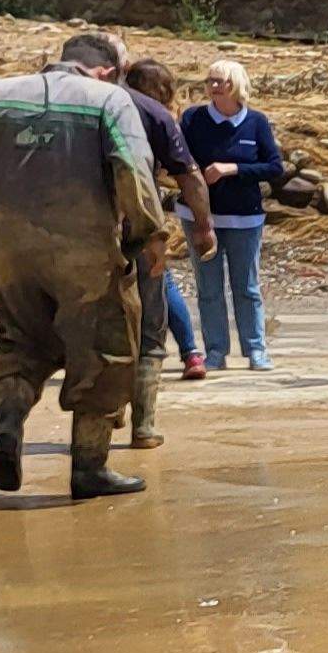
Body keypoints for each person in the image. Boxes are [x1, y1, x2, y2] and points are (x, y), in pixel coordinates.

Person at [0, 33, 172, 499]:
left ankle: (9, 427)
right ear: (108, 70)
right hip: (85, 253)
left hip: (12, 250)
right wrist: (147, 233)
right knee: (107, 348)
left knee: (19, 341)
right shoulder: (109, 100)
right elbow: (133, 168)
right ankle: (89, 468)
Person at [116, 58, 216, 449]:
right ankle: (143, 425)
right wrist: (205, 227)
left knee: (106, 323)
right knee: (150, 326)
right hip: (139, 230)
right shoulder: (153, 113)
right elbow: (188, 174)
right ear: (160, 90)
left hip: (89, 232)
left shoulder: (97, 102)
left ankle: (109, 411)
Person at [178, 58, 284, 370]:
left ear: (234, 85)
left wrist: (232, 169)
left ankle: (256, 350)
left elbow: (274, 167)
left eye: (218, 81)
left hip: (244, 218)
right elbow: (179, 159)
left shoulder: (256, 122)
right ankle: (215, 352)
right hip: (200, 216)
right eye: (209, 81)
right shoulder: (193, 118)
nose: (211, 87)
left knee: (247, 287)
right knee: (208, 288)